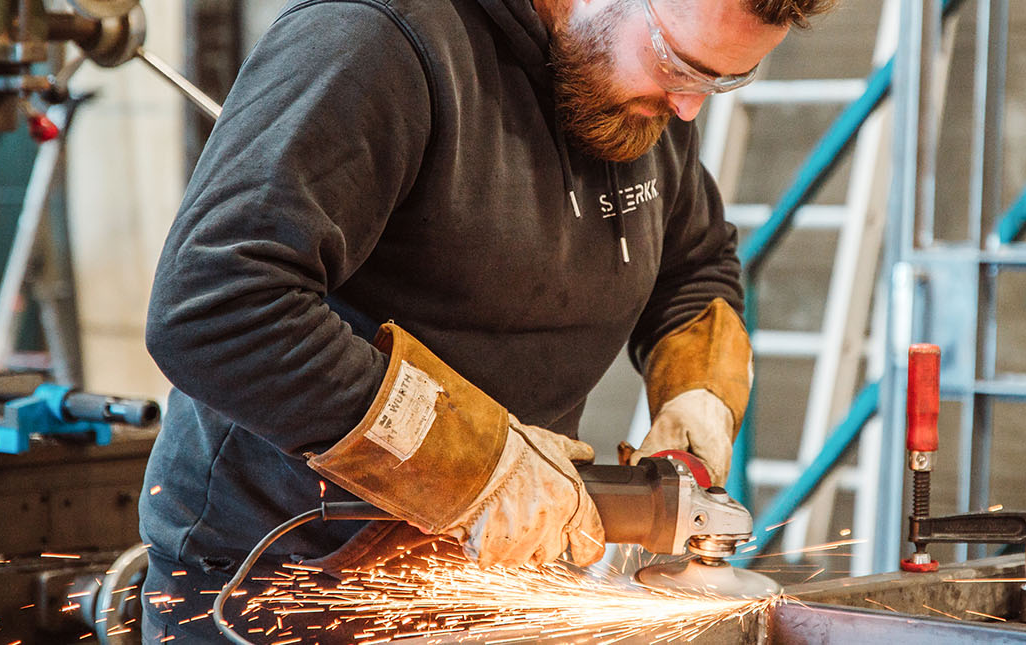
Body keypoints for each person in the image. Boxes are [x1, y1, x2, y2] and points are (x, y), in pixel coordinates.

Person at [139, 0, 831, 640]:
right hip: (292, 590)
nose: (685, 108)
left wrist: (696, 403)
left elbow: (694, 266)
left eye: (719, 82)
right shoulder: (376, 43)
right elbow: (215, 307)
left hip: (499, 587)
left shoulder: (643, 95)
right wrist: (477, 465)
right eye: (680, 66)